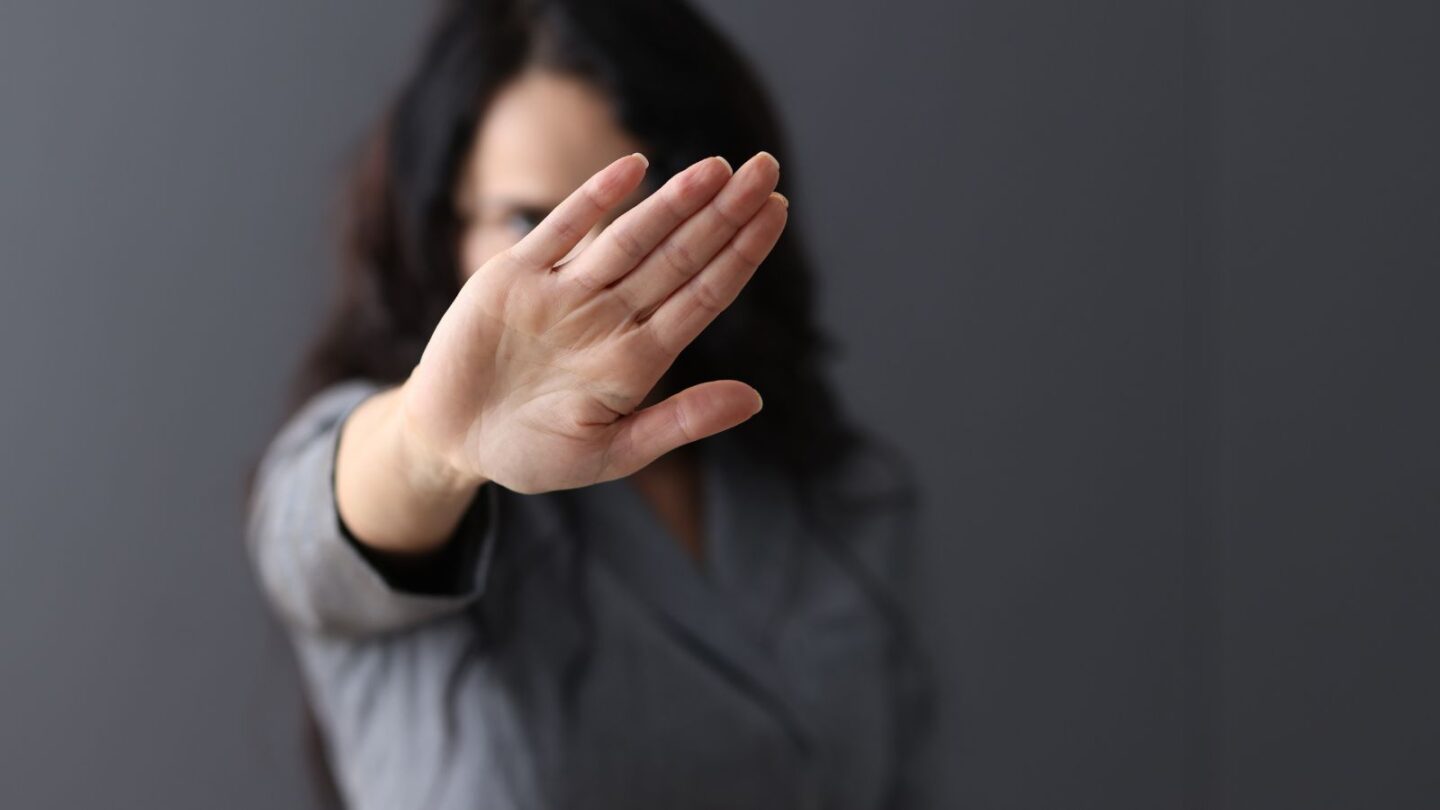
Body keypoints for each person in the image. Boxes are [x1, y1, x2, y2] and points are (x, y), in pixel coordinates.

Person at [246, 1, 929, 808]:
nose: (595, 268)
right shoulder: (413, 472)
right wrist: (433, 444)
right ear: (443, 230)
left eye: (640, 218)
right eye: (531, 220)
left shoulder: (831, 489)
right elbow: (312, 543)